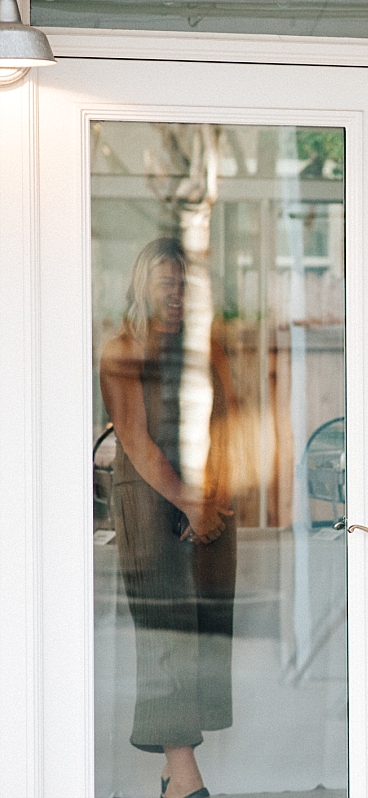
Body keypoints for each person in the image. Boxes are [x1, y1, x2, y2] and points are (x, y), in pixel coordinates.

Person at [99, 237, 237, 798]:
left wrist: (216, 496)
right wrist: (187, 501)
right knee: (166, 635)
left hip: (208, 501)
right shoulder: (120, 349)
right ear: (142, 288)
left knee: (205, 633)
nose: (176, 294)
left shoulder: (207, 348)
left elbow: (232, 421)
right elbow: (134, 438)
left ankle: (168, 776)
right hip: (149, 500)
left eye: (183, 283)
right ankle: (185, 779)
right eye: (165, 283)